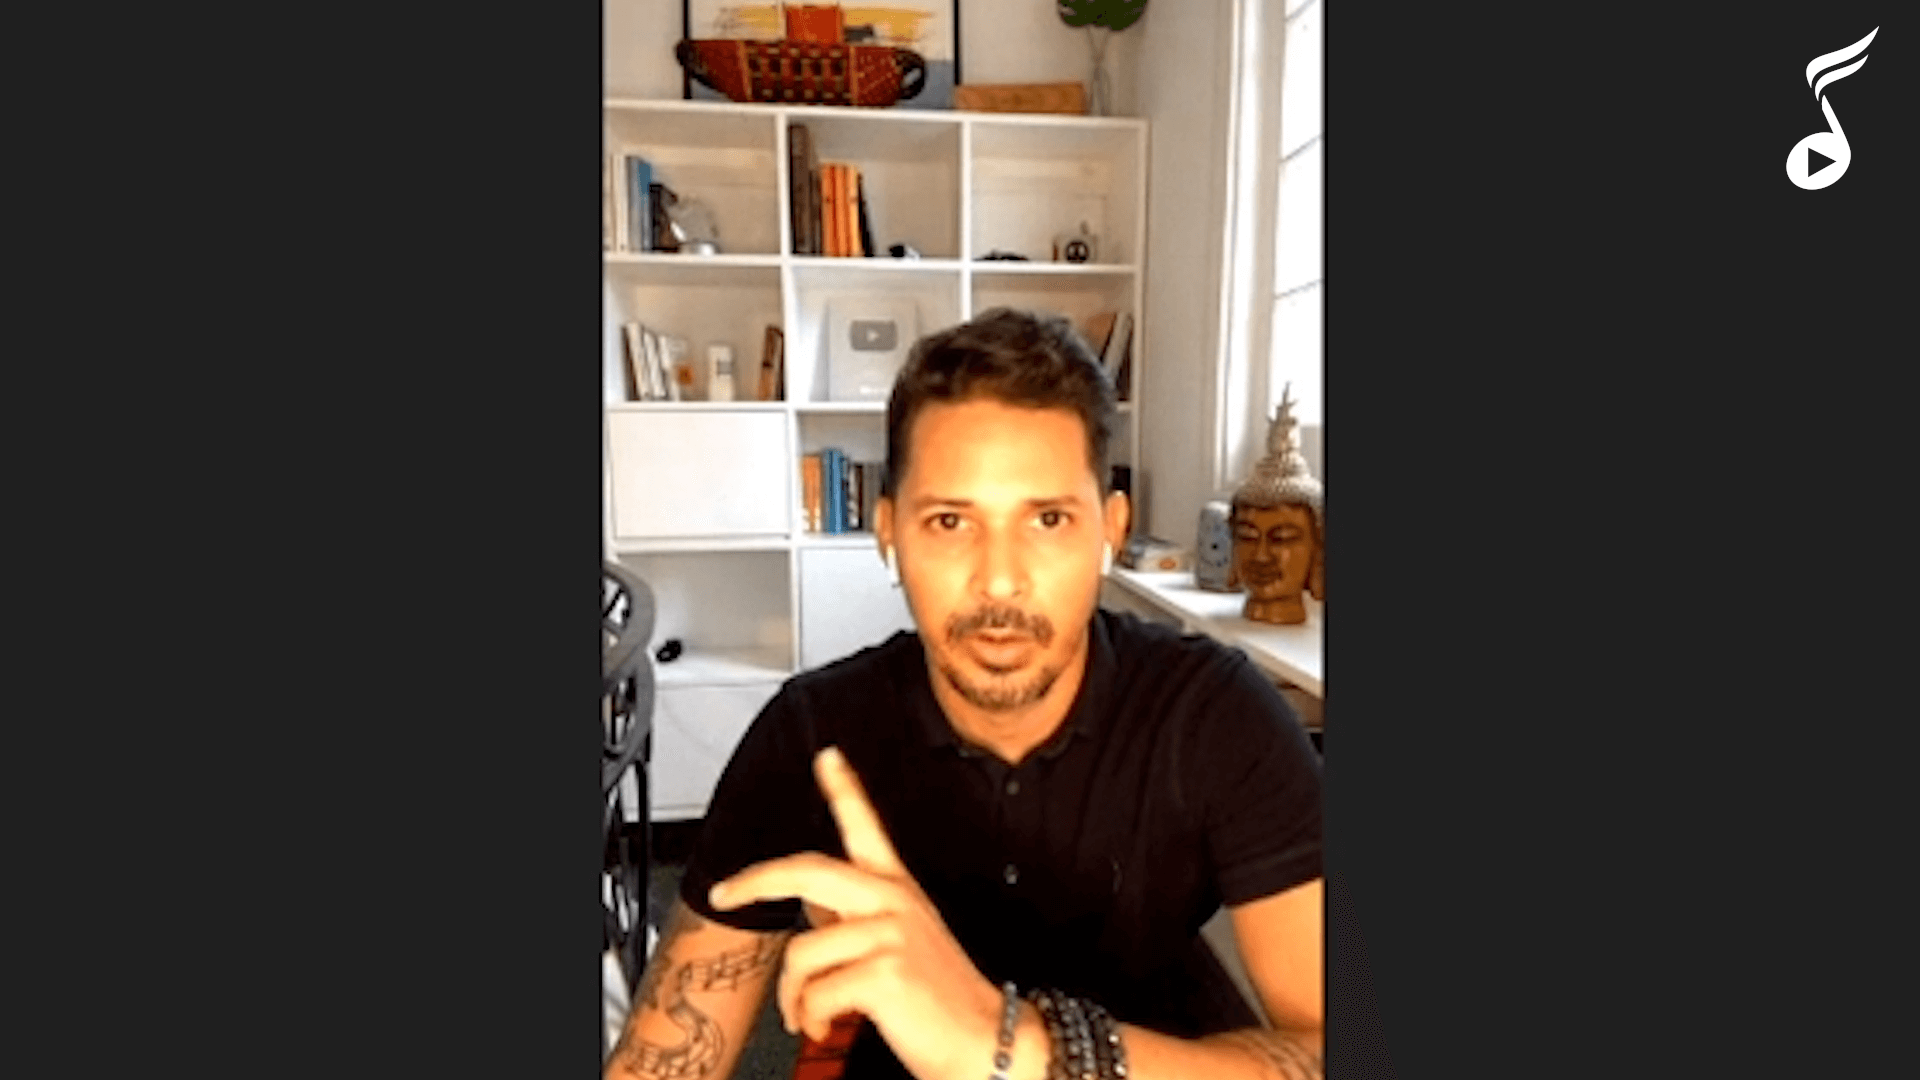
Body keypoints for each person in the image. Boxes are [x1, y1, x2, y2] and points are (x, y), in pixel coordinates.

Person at [606, 308, 1324, 1080]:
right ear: (889, 534)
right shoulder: (813, 737)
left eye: (1048, 519)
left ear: (1110, 533)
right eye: (950, 521)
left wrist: (1007, 1046)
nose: (1000, 580)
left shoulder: (1212, 716)